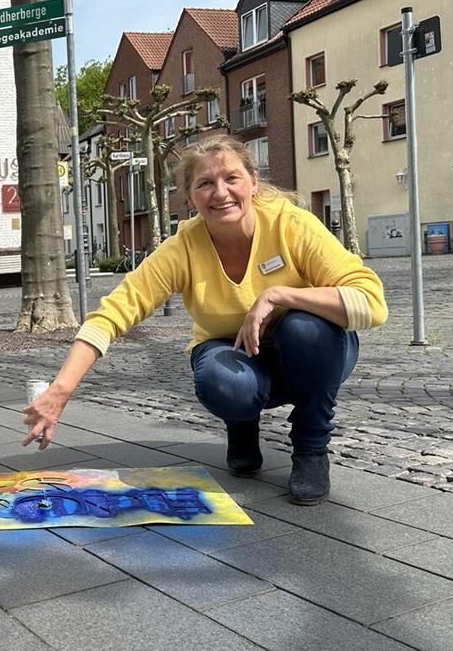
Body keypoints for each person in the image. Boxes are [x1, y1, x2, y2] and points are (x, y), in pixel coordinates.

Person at [24, 136, 387, 505]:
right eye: (205, 183)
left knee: (305, 327)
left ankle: (311, 449)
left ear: (253, 182)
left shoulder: (291, 225)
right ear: (189, 197)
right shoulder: (182, 248)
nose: (221, 192)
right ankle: (242, 422)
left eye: (232, 178)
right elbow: (114, 313)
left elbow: (372, 303)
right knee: (223, 380)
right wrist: (60, 391)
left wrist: (278, 295)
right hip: (235, 353)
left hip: (312, 354)